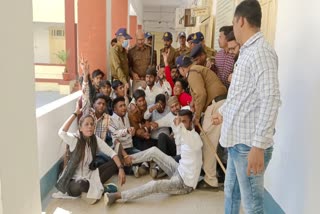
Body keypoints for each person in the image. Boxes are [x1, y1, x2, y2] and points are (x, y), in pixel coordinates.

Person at [212, 1, 281, 213]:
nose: (233, 29)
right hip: (236, 141)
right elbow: (241, 94)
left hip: (248, 145)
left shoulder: (261, 52)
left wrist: (258, 146)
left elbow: (271, 99)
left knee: (252, 206)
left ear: (240, 21)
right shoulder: (248, 52)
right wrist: (223, 112)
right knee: (231, 194)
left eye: (233, 24)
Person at [104, 109, 203, 206]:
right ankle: (126, 159)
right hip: (179, 169)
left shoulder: (194, 139)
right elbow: (180, 135)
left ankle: (117, 196)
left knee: (154, 185)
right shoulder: (184, 132)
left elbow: (186, 137)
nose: (181, 124)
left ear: (191, 123)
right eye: (180, 121)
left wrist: (179, 125)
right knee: (154, 151)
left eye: (184, 121)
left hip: (184, 184)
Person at [176, 55, 227, 190]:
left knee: (207, 141)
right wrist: (194, 103)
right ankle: (217, 173)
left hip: (215, 105)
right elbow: (198, 94)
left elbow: (202, 94)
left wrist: (197, 116)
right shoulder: (198, 69)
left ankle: (210, 179)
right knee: (217, 142)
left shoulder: (192, 72)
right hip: (221, 103)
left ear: (182, 69)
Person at [56, 108, 125, 205]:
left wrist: (121, 168)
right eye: (86, 124)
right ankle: (101, 188)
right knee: (81, 184)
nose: (90, 127)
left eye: (92, 124)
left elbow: (111, 152)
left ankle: (94, 190)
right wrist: (75, 113)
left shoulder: (94, 139)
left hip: (90, 175)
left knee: (115, 163)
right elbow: (61, 132)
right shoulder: (75, 139)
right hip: (74, 181)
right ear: (80, 128)